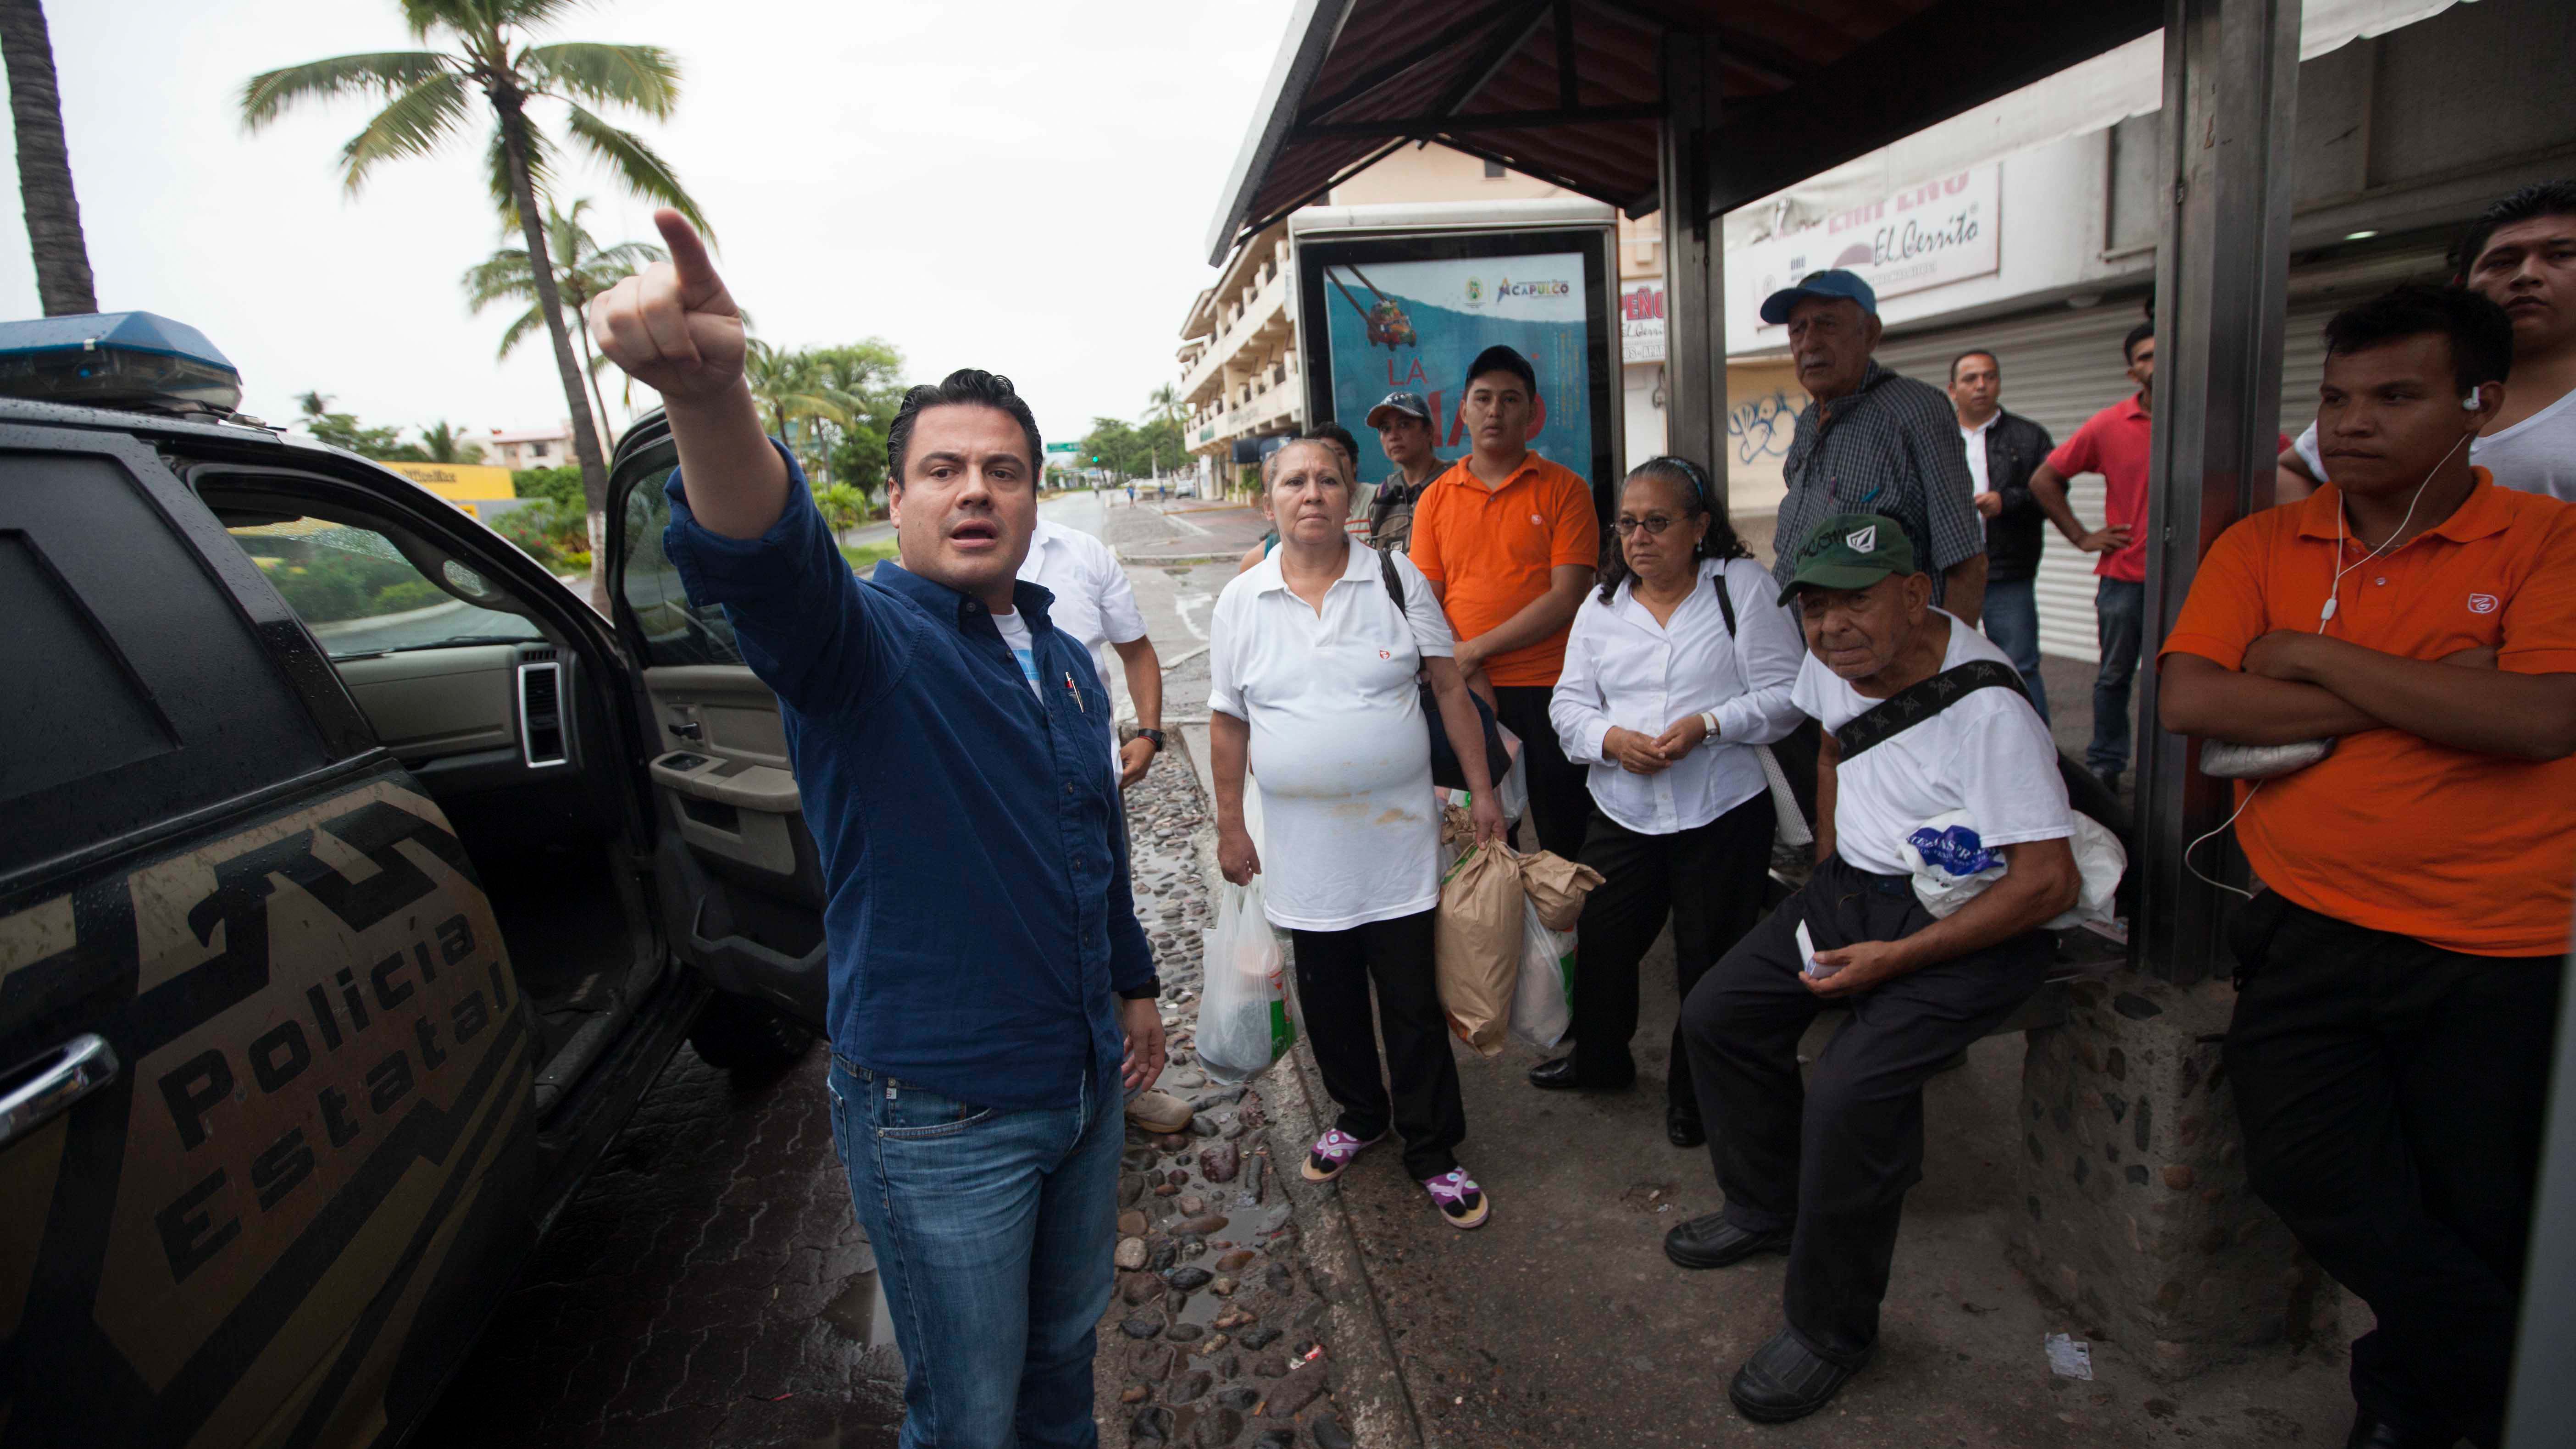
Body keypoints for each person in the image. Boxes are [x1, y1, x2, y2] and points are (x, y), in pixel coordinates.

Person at [587, 211, 1163, 1449]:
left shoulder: (1063, 659)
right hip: (943, 1113)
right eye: (945, 469)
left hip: (1082, 1083)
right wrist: (709, 396)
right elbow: (765, 561)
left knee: (1065, 1358)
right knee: (966, 1409)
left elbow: (1092, 841)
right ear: (894, 496)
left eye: (1003, 471)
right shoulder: (860, 646)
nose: (975, 491)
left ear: (1033, 498)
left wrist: (1135, 985)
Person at [2157, 283, 2576, 1449]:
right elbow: (2192, 696)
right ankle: (2514, 1367)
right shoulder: (2267, 541)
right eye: (2337, 396)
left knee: (2472, 1202)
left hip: (2495, 942)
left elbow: (2543, 721)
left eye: (2396, 396)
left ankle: (2405, 1410)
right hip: (2307, 923)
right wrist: (2447, 690)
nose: (2350, 423)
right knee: (2310, 1172)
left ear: (2479, 406)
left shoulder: (2547, 541)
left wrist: (2312, 661)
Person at [1669, 511, 2078, 1426]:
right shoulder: (1839, 661)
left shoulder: (1989, 707)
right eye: (1814, 609)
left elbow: (2049, 882)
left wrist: (1896, 958)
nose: (1831, 628)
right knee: (1718, 1015)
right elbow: (1832, 744)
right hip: (1853, 885)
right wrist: (1825, 866)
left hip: (1970, 918)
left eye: (1854, 602)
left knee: (1852, 1094)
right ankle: (1767, 1203)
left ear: (1912, 593)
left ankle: (1829, 1330)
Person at [1207, 437, 1508, 1228]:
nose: (1313, 493)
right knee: (1330, 1000)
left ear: (1350, 496)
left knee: (1411, 999)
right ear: (1267, 498)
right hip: (1302, 854)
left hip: (1396, 843)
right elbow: (1228, 720)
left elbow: (1448, 687)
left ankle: (1433, 1148)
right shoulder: (1243, 599)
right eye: (1295, 480)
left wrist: (1483, 792)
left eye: (1329, 479)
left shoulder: (1395, 577)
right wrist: (1230, 825)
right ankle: (1358, 1114)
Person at [1533, 457, 1803, 1149]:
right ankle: (1600, 1061)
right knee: (1601, 941)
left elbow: (1786, 697)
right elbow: (1567, 704)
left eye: (1658, 522)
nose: (1640, 537)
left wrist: (1708, 725)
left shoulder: (1739, 588)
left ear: (1700, 525)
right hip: (1624, 809)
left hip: (1722, 809)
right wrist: (1611, 738)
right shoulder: (1602, 604)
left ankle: (1697, 1094)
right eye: (1627, 523)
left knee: (1710, 959)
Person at [2028, 323, 2290, 795]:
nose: (2159, 363)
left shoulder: (2219, 419)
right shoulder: (2109, 425)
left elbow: (2291, 467)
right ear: (2134, 372)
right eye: (2147, 356)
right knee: (2113, 677)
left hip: (2203, 580)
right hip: (2126, 579)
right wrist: (2083, 537)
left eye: (2167, 354)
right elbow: (2044, 479)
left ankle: (2191, 772)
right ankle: (2107, 763)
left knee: (2198, 678)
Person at [1406, 344, 1603, 859]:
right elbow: (1426, 599)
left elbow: (1567, 596)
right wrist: (1463, 666)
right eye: (1484, 398)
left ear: (1532, 413)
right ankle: (1499, 938)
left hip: (1554, 689)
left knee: (1566, 835)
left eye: (1511, 399)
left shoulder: (1566, 490)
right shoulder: (1437, 496)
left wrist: (1475, 650)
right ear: (1464, 411)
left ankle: (1570, 937)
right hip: (1468, 695)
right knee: (1485, 839)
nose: (1496, 411)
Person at [2282, 180, 2576, 505]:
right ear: (2461, 286)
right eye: (2502, 262)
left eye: (2561, 255)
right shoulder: (2402, 381)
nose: (2527, 275)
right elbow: (2295, 471)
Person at [1764, 270, 1988, 624]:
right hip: (1802, 656)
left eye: (1827, 324)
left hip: (1881, 660)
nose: (1809, 343)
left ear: (1870, 333)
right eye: (1798, 329)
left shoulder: (1916, 411)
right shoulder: (1808, 421)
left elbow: (1965, 562)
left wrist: (1946, 668)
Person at [1947, 349, 2057, 719]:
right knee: (1947, 666)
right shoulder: (1937, 437)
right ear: (1952, 389)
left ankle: (2039, 751)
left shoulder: (2028, 436)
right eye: (1970, 378)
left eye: (1990, 376)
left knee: (2020, 665)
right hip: (1951, 569)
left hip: (2007, 571)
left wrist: (2006, 501)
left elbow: (2053, 495)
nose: (1981, 385)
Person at [1018, 515, 1166, 786]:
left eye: (1003, 473)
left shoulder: (1084, 552)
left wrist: (1149, 735)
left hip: (1097, 776)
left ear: (1035, 476)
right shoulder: (937, 571)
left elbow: (1136, 650)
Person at [1361, 390, 1446, 551]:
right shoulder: (1386, 490)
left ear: (1429, 432)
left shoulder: (1453, 480)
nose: (1393, 436)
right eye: (1385, 429)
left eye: (1404, 425)